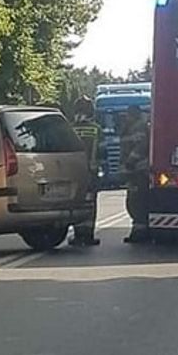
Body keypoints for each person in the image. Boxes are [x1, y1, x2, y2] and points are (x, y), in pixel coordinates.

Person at [69, 96, 101, 246]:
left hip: (73, 173)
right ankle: (88, 234)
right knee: (90, 202)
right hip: (91, 172)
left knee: (76, 201)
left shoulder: (70, 128)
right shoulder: (96, 129)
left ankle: (78, 234)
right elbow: (104, 151)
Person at [121, 104, 151, 244]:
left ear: (133, 114)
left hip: (139, 170)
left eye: (128, 115)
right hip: (134, 171)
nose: (126, 117)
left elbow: (141, 146)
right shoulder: (133, 127)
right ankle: (139, 230)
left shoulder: (139, 127)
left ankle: (140, 232)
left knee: (136, 202)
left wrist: (131, 161)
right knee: (134, 201)